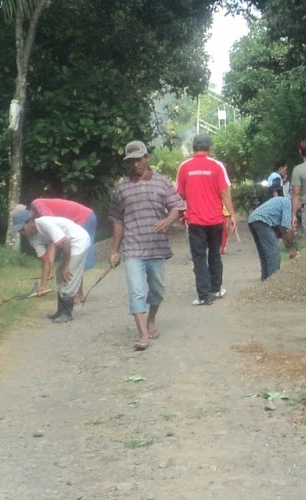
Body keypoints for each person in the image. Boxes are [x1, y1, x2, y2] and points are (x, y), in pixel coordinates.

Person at [108, 140, 185, 352]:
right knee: (136, 292)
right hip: (133, 249)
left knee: (157, 290)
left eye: (138, 159)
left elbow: (178, 206)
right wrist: (114, 249)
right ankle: (143, 334)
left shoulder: (162, 182)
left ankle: (151, 319)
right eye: (131, 161)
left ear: (147, 158)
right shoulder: (121, 188)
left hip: (156, 248)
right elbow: (117, 220)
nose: (135, 164)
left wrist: (168, 221)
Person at [176, 133, 234, 306]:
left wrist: (183, 213)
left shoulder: (184, 167)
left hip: (195, 221)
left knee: (199, 257)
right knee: (215, 253)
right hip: (215, 220)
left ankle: (204, 295)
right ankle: (215, 289)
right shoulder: (217, 166)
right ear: (209, 148)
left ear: (193, 148)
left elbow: (180, 194)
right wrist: (232, 215)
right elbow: (224, 192)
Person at [15, 209, 91, 322]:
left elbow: (66, 243)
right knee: (59, 275)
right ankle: (60, 311)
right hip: (68, 246)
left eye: (22, 229)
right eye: (19, 231)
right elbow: (46, 261)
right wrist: (43, 286)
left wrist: (66, 266)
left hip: (78, 240)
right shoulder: (32, 239)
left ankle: (67, 314)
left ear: (30, 222)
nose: (22, 233)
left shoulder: (45, 224)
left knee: (69, 275)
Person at [25, 195, 98, 279]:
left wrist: (50, 269)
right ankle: (82, 283)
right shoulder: (37, 214)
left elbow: (52, 239)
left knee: (78, 258)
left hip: (84, 217)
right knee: (77, 258)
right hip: (85, 216)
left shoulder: (38, 205)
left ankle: (84, 283)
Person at [247, 183, 294, 280]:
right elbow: (286, 229)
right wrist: (291, 248)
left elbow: (280, 228)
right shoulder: (288, 203)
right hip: (262, 221)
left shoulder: (281, 200)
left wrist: (282, 236)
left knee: (264, 252)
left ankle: (265, 278)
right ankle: (273, 280)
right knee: (273, 252)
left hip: (253, 219)